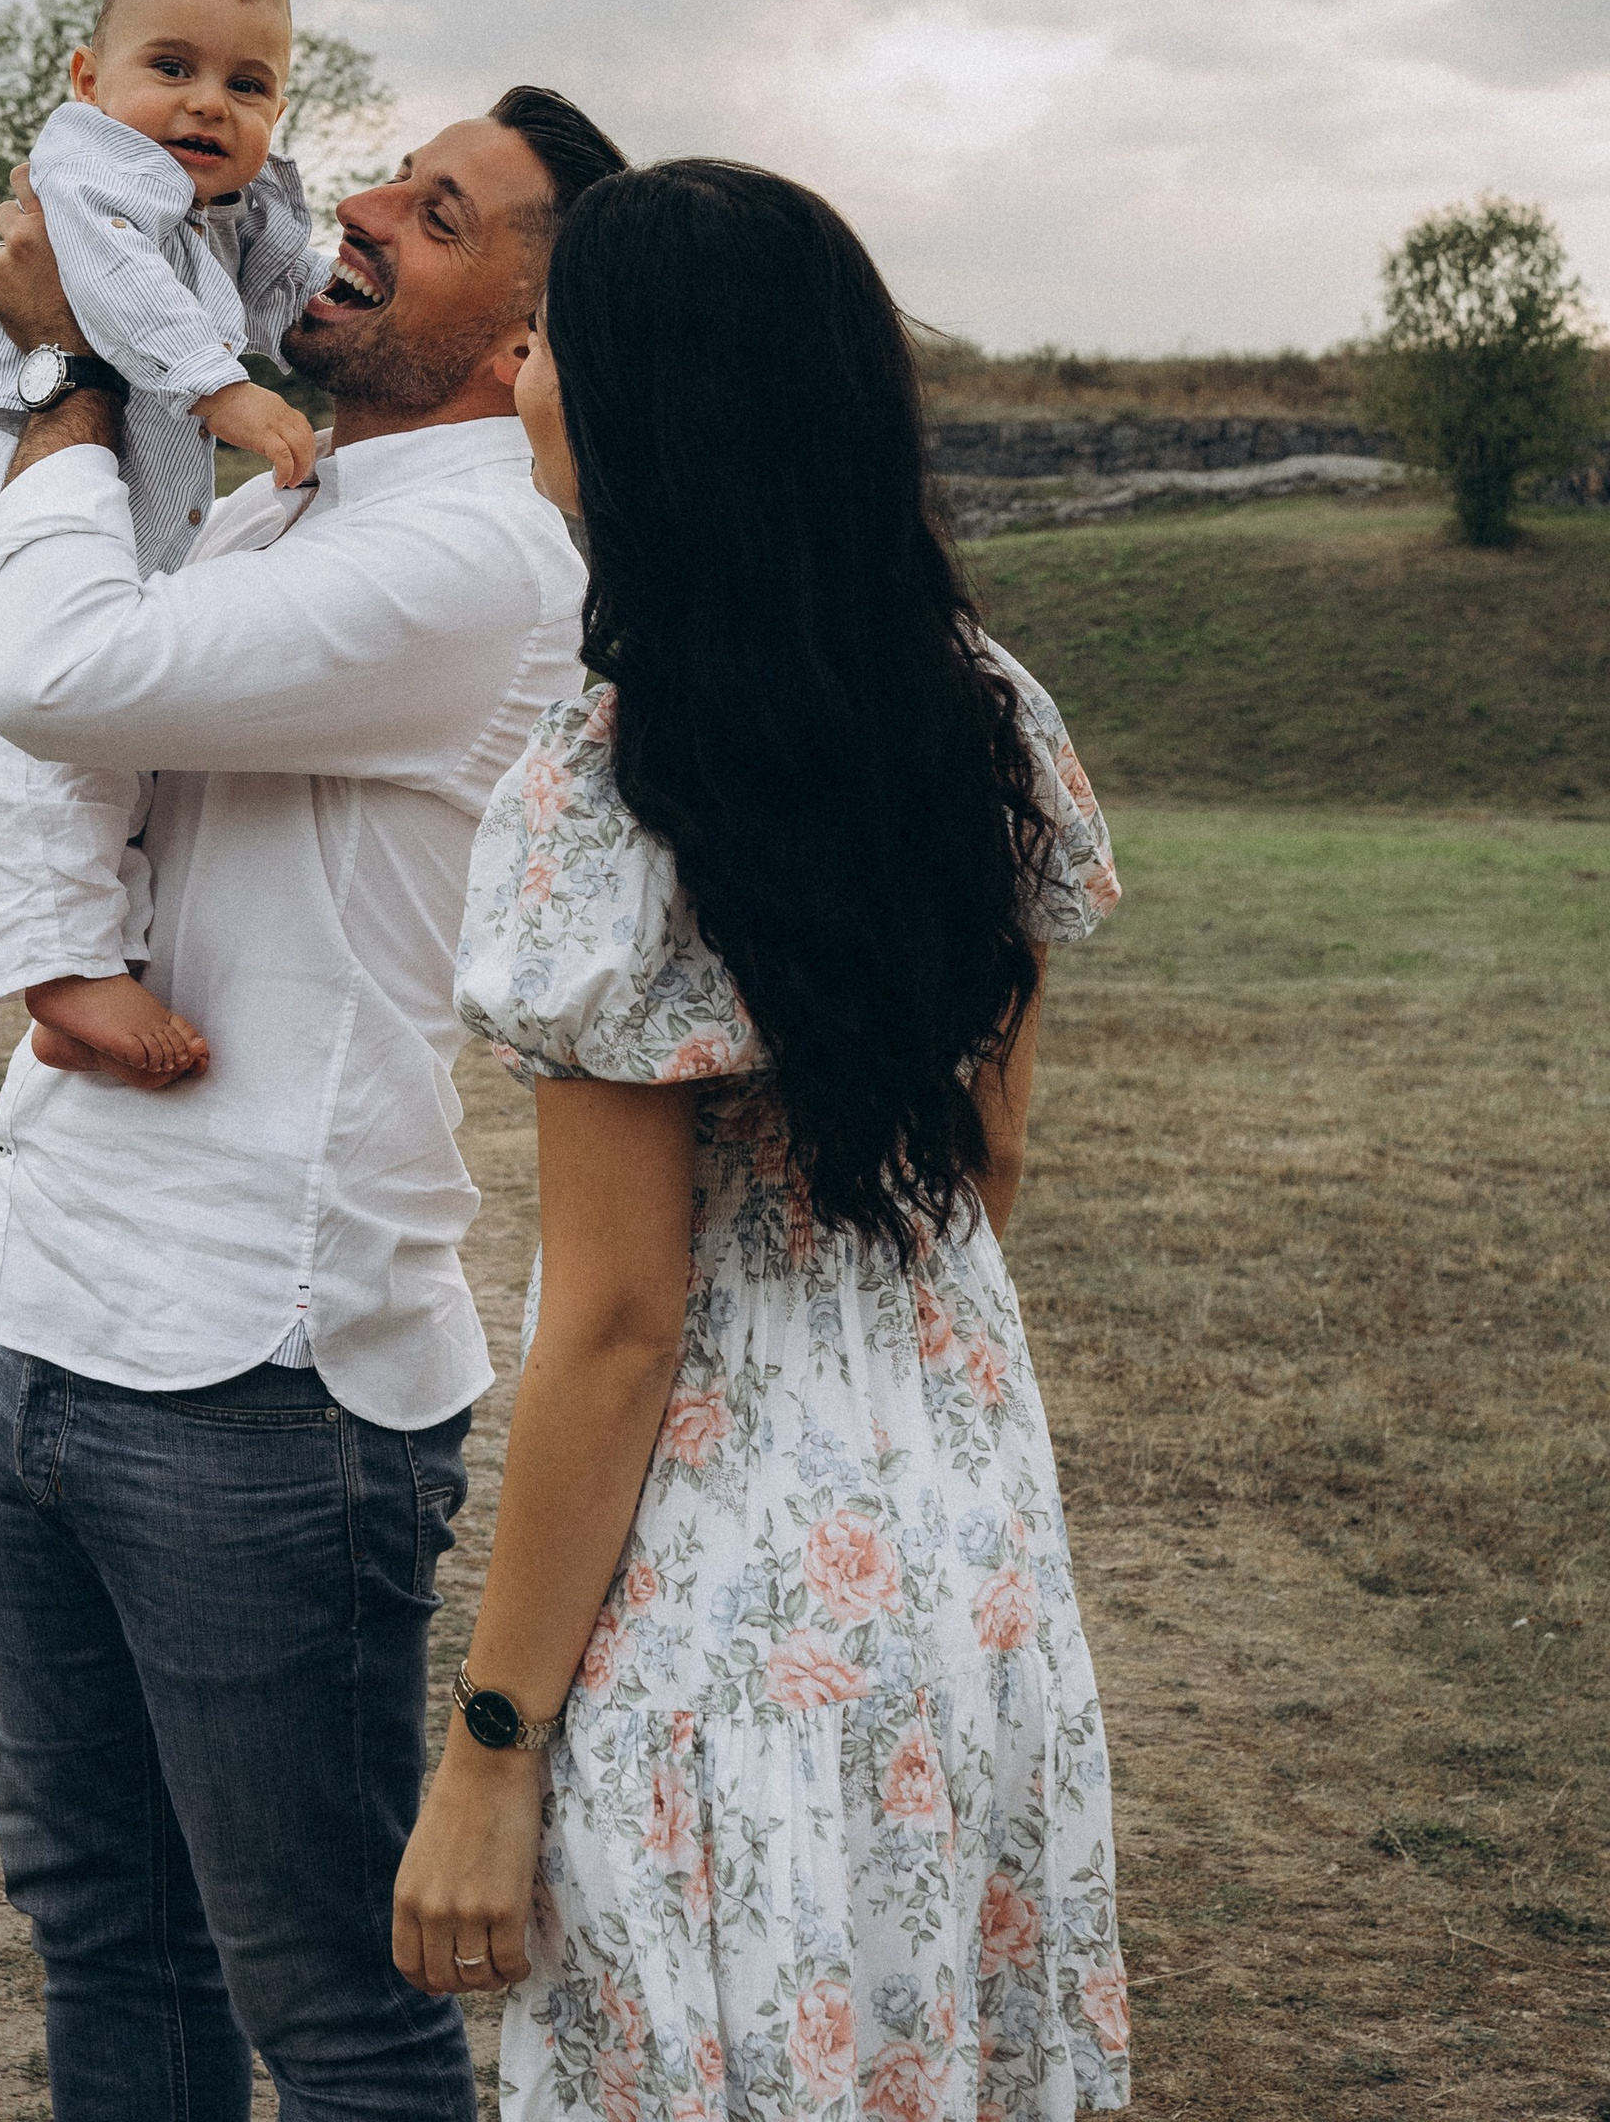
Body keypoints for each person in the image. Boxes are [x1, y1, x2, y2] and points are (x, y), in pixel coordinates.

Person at [394, 160, 1130, 2122]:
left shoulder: (605, 790)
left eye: (548, 340)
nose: (517, 370)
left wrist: (485, 1750)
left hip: (722, 1588)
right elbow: (979, 1175)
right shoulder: (984, 718)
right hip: (955, 1530)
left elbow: (619, 1324)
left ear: (656, 410)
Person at [0, 84, 628, 2122]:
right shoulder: (277, 505)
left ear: (521, 331)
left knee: (328, 2002)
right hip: (51, 1303)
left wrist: (69, 360)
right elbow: (6, 661)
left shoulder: (480, 562)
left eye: (432, 214)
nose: (347, 214)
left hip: (264, 1367)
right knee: (100, 1929)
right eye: (380, 177)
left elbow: (47, 670)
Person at [0, 0, 330, 1085]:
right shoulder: (91, 176)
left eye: (249, 87)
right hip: (6, 519)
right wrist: (221, 386)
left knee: (110, 773)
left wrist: (327, 311)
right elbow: (110, 286)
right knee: (29, 769)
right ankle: (60, 973)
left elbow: (294, 296)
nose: (208, 106)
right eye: (172, 69)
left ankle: (92, 971)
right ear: (90, 83)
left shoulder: (227, 211)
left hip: (113, 535)